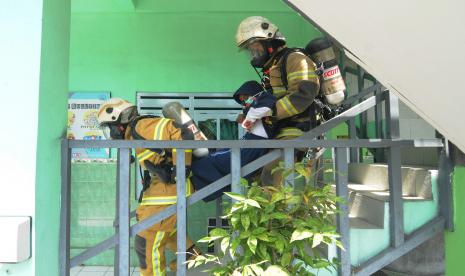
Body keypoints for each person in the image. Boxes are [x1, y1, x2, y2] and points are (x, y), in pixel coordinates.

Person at [97, 98, 198, 276]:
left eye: (109, 128)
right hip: (163, 192)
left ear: (119, 124)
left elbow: (182, 131)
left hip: (170, 192)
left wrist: (180, 168)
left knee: (145, 241)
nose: (111, 134)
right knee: (168, 233)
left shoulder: (141, 126)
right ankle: (193, 257)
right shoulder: (135, 134)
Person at [235, 16, 321, 185]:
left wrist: (269, 113)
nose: (253, 53)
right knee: (256, 176)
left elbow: (304, 94)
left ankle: (285, 212)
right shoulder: (272, 67)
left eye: (254, 47)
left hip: (297, 132)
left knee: (272, 177)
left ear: (269, 42)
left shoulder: (295, 58)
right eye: (249, 50)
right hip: (279, 133)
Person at [190, 81, 276, 201]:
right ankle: (202, 187)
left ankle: (197, 186)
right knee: (212, 158)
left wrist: (249, 118)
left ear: (252, 92)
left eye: (245, 98)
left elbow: (266, 107)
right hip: (248, 144)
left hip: (252, 146)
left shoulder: (264, 97)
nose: (245, 102)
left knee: (210, 160)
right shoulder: (254, 104)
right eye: (242, 101)